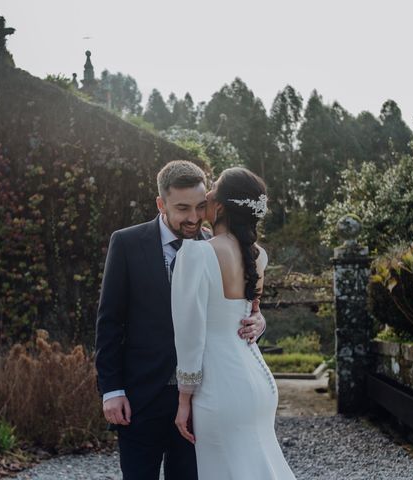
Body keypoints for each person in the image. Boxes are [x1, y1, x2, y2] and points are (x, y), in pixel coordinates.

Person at [95, 160, 267, 480]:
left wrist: (259, 323)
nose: (193, 218)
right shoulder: (127, 243)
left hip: (202, 401)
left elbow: (234, 310)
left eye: (201, 206)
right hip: (140, 397)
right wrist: (111, 389)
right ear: (161, 204)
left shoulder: (217, 248)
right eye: (182, 208)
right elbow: (109, 321)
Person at [172, 167, 297, 479]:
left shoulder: (197, 254)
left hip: (219, 388)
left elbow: (190, 335)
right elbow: (250, 315)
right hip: (258, 381)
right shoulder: (258, 256)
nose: (208, 193)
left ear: (221, 207)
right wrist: (260, 322)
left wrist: (184, 398)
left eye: (213, 188)